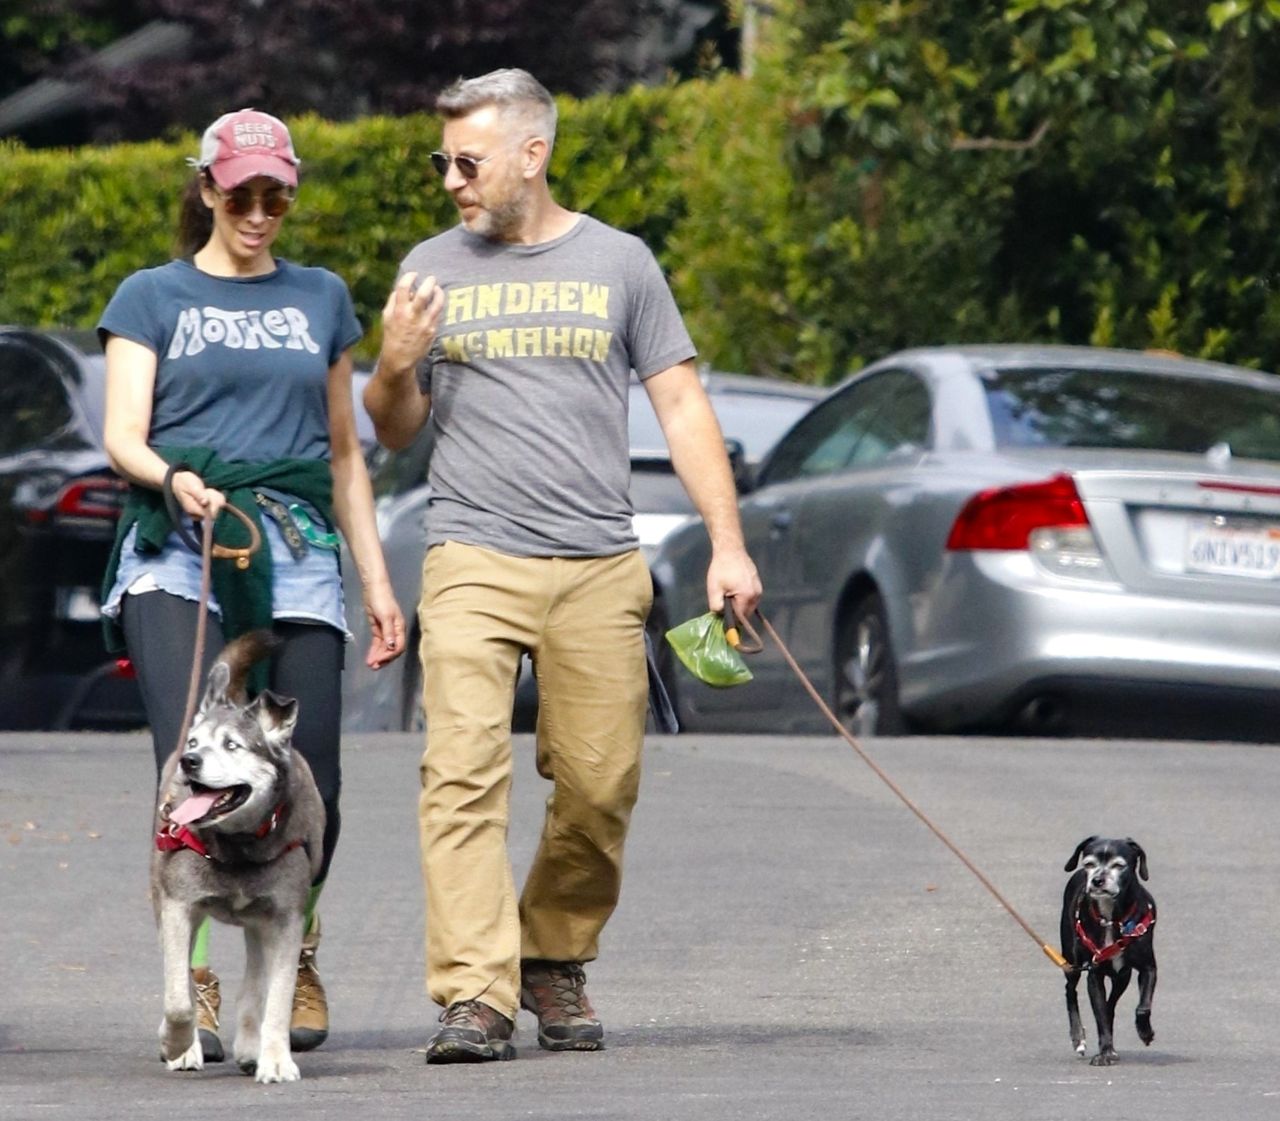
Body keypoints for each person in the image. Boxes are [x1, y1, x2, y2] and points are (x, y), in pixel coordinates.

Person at [363, 69, 763, 1063]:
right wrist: (394, 363)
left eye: (468, 160)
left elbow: (678, 404)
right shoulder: (427, 267)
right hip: (470, 552)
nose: (451, 179)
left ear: (530, 155)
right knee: (458, 772)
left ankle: (552, 950)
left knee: (599, 780)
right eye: (441, 161)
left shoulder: (619, 264)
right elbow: (393, 430)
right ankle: (474, 992)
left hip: (596, 560)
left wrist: (725, 542)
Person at [99, 108, 404, 1061]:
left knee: (315, 768)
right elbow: (121, 433)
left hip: (299, 543)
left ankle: (292, 945)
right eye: (243, 195)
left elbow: (347, 456)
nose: (261, 213)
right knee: (189, 766)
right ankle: (189, 966)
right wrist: (170, 478)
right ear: (208, 191)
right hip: (180, 545)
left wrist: (380, 581)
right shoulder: (152, 295)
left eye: (277, 196)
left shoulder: (322, 298)